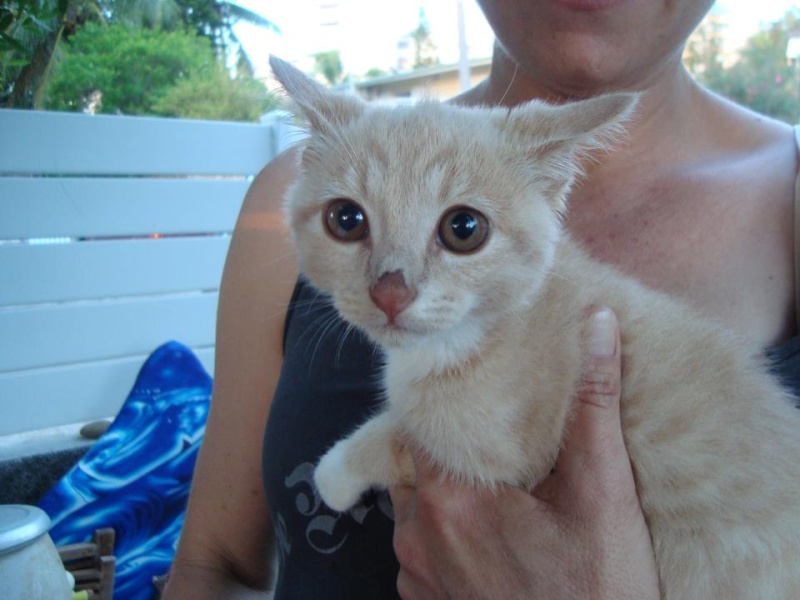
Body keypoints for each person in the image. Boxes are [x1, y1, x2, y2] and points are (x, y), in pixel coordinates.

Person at [163, 0, 800, 598]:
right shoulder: (285, 195)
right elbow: (207, 564)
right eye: (350, 224)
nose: (392, 290)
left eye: (461, 229)